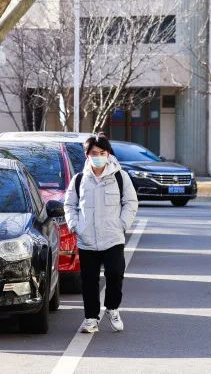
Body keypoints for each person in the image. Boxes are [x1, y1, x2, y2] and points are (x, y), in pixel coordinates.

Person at [64, 134, 138, 333]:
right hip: (87, 239)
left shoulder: (120, 177)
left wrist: (122, 224)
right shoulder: (79, 179)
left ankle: (112, 308)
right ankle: (91, 318)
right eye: (94, 153)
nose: (98, 157)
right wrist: (75, 226)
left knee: (115, 274)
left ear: (108, 154)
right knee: (89, 281)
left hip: (113, 237)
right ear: (87, 155)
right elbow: (69, 204)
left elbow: (130, 203)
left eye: (102, 153)